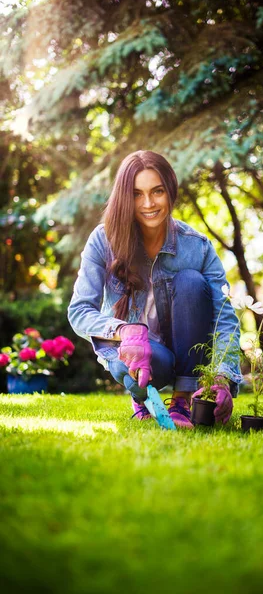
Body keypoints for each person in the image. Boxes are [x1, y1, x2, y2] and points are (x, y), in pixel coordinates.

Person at [68, 150, 242, 429]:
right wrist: (123, 331)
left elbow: (225, 317)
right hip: (139, 352)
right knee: (128, 358)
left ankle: (182, 400)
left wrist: (222, 377)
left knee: (190, 281)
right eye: (137, 194)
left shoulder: (196, 246)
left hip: (187, 354)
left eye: (157, 191)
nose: (148, 203)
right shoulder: (103, 240)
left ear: (170, 191)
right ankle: (141, 396)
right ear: (125, 198)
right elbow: (79, 312)